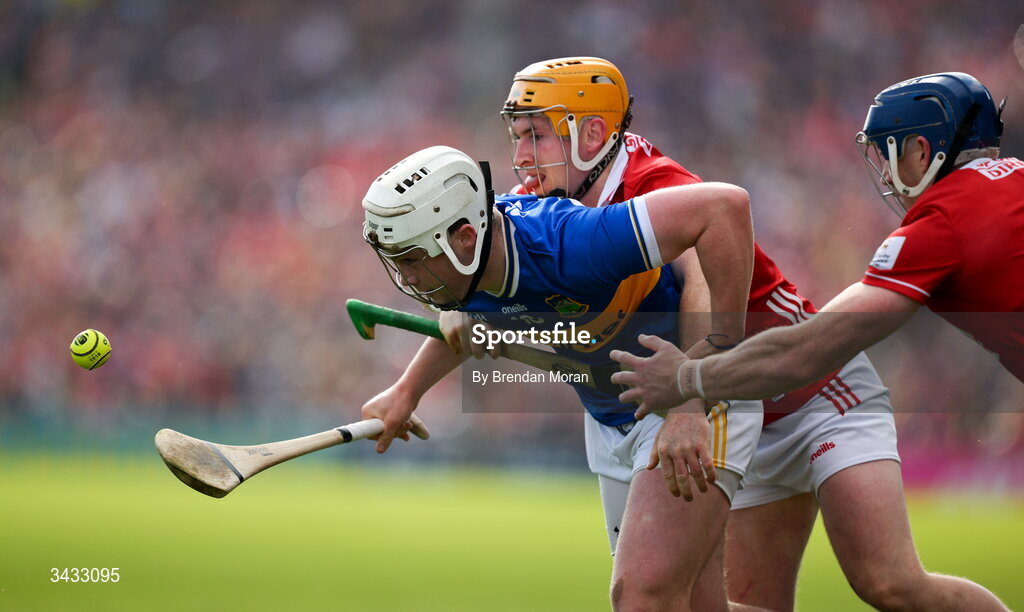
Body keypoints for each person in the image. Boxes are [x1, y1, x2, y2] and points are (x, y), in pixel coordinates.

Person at [443, 57, 922, 611]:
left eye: (536, 135)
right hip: (732, 402)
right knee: (715, 603)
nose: (521, 156)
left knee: (890, 584)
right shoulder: (558, 197)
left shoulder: (651, 185)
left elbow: (698, 279)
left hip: (808, 391)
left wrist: (689, 399)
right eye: (516, 136)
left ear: (592, 134)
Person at [611, 72, 1015, 610]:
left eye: (889, 151)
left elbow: (812, 347)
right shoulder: (1001, 188)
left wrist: (687, 378)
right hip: (756, 409)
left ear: (923, 149)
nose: (885, 173)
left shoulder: (944, 219)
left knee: (888, 581)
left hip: (819, 394)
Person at [359, 143, 761, 611]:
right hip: (612, 418)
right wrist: (406, 392)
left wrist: (698, 385)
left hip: (687, 406)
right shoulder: (475, 266)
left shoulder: (569, 241)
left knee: (639, 598)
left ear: (465, 237)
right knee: (695, 604)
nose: (407, 279)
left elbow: (724, 207)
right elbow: (478, 315)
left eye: (411, 259)